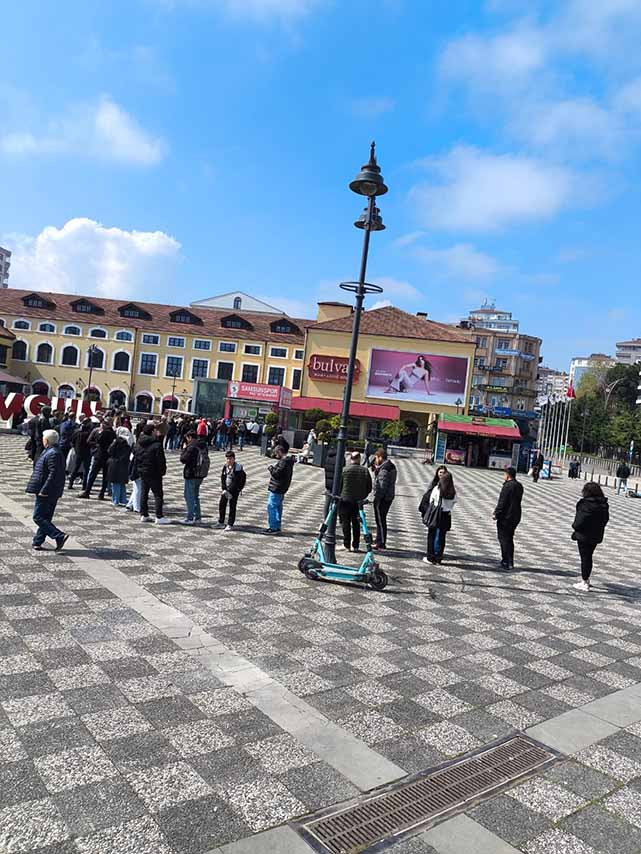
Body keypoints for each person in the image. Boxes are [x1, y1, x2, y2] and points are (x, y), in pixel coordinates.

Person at [26, 430, 68, 551]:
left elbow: (53, 474)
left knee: (38, 517)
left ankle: (58, 535)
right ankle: (38, 541)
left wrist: (44, 490)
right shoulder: (52, 451)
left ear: (47, 440)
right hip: (50, 490)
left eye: (44, 438)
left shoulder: (53, 453)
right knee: (45, 517)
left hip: (47, 490)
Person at [571, 481, 610, 592]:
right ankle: (586, 579)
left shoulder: (585, 504)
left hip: (584, 535)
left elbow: (580, 521)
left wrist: (575, 527)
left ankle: (584, 581)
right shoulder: (603, 504)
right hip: (596, 534)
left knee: (585, 558)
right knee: (588, 556)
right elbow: (606, 519)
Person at [419, 466, 457, 564]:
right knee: (442, 537)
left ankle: (430, 557)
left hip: (437, 513)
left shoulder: (437, 488)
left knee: (432, 535)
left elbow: (432, 499)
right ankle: (439, 557)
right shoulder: (453, 491)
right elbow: (454, 501)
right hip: (446, 515)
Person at [135, 424, 170, 524]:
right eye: (154, 430)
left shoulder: (139, 442)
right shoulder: (156, 444)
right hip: (154, 472)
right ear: (151, 432)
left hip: (143, 470)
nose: (156, 431)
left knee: (144, 493)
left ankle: (144, 514)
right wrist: (162, 471)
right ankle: (159, 516)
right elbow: (160, 460)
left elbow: (137, 456)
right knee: (158, 494)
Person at [338, 451, 372, 552]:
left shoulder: (344, 470)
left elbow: (339, 485)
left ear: (350, 459)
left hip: (345, 499)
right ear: (359, 459)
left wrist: (341, 495)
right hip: (358, 501)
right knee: (356, 523)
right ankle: (355, 545)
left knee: (345, 523)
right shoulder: (365, 471)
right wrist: (363, 495)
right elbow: (369, 487)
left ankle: (346, 544)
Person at [493, 466, 524, 570]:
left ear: (507, 475)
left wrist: (496, 513)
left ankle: (505, 560)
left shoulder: (507, 486)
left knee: (503, 539)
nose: (503, 476)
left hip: (506, 516)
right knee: (509, 538)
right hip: (516, 515)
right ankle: (510, 561)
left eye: (504, 474)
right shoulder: (519, 485)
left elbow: (502, 501)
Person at [81, 418, 116, 500]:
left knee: (98, 475)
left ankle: (93, 492)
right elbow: (89, 441)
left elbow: (101, 440)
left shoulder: (106, 432)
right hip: (103, 455)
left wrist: (101, 432)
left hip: (102, 456)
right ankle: (96, 492)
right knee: (100, 475)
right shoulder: (109, 432)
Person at [180, 429, 210, 524]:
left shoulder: (191, 446)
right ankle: (197, 517)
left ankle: (190, 517)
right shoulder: (202, 445)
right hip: (200, 474)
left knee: (189, 496)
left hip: (192, 473)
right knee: (196, 495)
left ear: (189, 437)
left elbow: (183, 459)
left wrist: (184, 449)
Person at [371, 447, 397, 550]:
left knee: (380, 520)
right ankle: (379, 539)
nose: (375, 460)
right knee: (381, 519)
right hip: (388, 496)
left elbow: (382, 485)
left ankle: (381, 542)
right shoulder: (389, 466)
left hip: (383, 498)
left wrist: (377, 498)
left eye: (376, 457)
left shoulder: (385, 469)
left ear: (380, 457)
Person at [265, 445, 294, 534]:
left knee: (272, 506)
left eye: (276, 453)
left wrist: (271, 468)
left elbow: (276, 474)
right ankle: (277, 526)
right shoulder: (288, 461)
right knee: (278, 507)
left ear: (279, 452)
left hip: (277, 487)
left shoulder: (283, 462)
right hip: (282, 487)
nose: (276, 456)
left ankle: (273, 527)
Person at [218, 450, 247, 530]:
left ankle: (230, 524)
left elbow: (236, 481)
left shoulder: (238, 467)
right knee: (222, 504)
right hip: (225, 490)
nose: (228, 460)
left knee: (232, 506)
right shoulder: (225, 466)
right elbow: (223, 478)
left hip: (234, 490)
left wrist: (230, 490)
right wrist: (224, 488)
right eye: (227, 458)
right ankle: (221, 521)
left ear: (234, 459)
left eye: (230, 459)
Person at [107, 427, 133, 507]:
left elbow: (109, 451)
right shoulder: (129, 443)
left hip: (115, 464)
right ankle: (123, 499)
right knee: (122, 483)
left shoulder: (116, 442)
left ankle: (115, 500)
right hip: (124, 464)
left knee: (115, 483)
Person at [68, 419, 93, 491]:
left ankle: (71, 483)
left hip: (78, 452)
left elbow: (71, 441)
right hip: (86, 452)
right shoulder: (89, 433)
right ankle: (84, 485)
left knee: (76, 468)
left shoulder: (77, 432)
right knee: (86, 469)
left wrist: (75, 448)